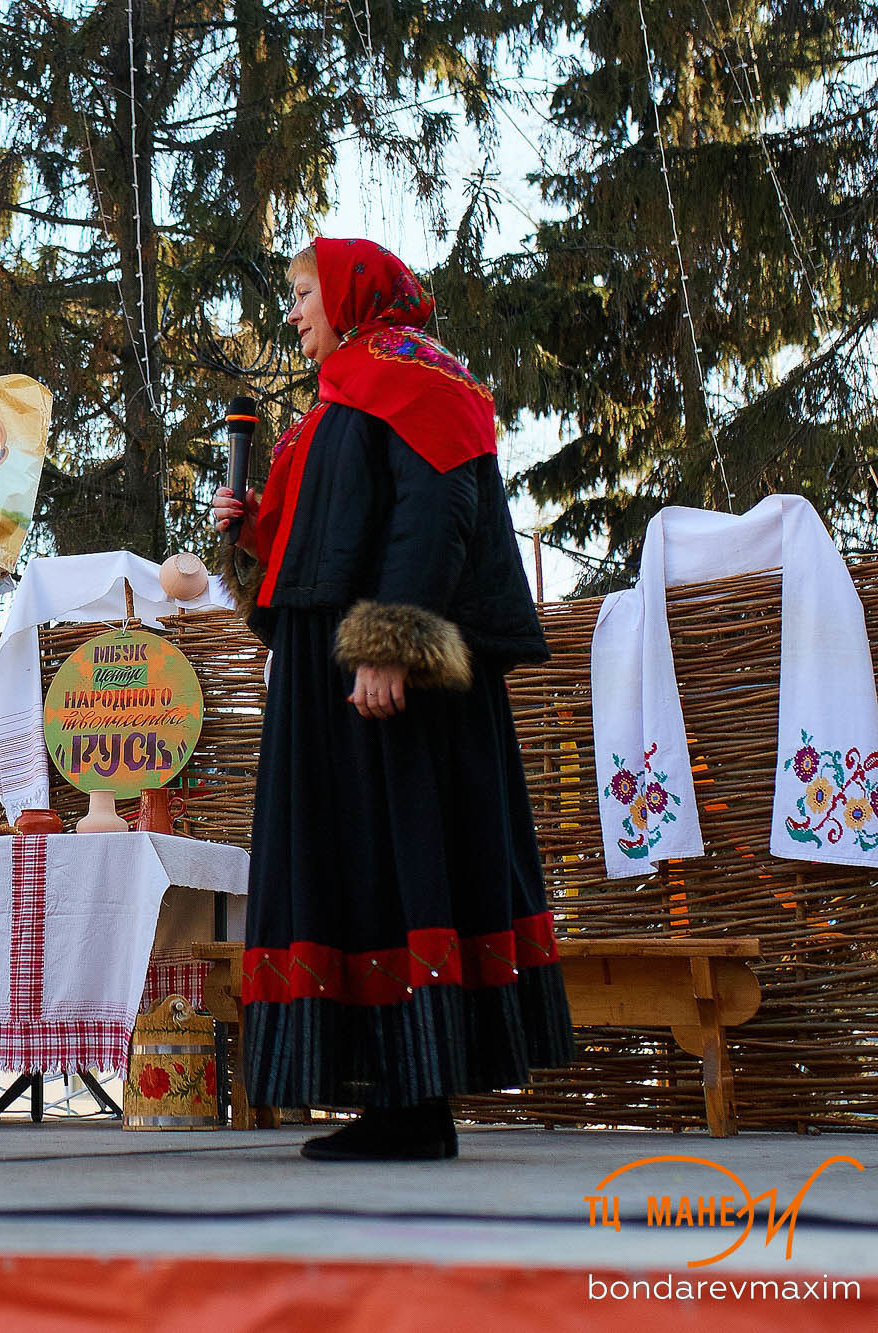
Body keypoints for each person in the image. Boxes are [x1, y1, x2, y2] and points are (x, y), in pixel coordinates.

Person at [212, 239, 574, 1161]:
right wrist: (251, 527)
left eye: (301, 294)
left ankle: (417, 1104)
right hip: (332, 681)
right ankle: (392, 1095)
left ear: (348, 290)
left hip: (384, 684)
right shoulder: (345, 392)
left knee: (395, 858)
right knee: (356, 868)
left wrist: (391, 645)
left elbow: (437, 510)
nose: (292, 314)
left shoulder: (417, 377)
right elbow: (335, 526)